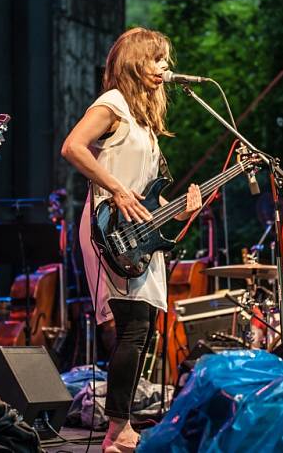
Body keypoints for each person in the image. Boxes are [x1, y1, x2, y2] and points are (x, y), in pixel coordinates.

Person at [61, 27, 201, 452]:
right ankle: (116, 430)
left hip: (137, 229)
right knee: (133, 328)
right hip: (109, 227)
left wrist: (183, 208)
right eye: (157, 59)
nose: (165, 68)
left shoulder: (146, 124)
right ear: (137, 62)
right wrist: (117, 188)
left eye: (166, 61)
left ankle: (120, 426)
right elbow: (73, 147)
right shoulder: (113, 104)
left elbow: (149, 197)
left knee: (143, 330)